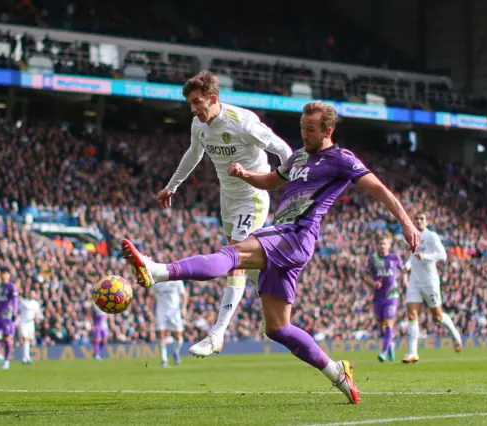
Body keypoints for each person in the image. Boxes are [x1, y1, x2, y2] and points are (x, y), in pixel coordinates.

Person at [123, 101, 421, 404]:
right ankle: (337, 373)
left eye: (311, 129)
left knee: (234, 255)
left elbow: (380, 189)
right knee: (278, 328)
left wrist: (407, 224)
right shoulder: (299, 157)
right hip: (284, 239)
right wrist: (244, 174)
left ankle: (158, 271)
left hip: (296, 235)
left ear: (328, 130)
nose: (303, 134)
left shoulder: (342, 159)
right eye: (302, 127)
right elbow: (272, 180)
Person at [156, 70, 292, 357]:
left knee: (235, 261)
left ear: (213, 98)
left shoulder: (243, 122)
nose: (193, 110)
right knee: (248, 265)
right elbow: (193, 154)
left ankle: (217, 333)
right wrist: (172, 187)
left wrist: (285, 186)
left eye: (197, 102)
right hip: (227, 200)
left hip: (252, 197)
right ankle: (276, 283)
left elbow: (283, 150)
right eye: (190, 104)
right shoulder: (198, 125)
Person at [402, 212, 463, 363]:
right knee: (411, 315)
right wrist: (407, 266)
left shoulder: (432, 236)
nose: (418, 221)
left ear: (426, 221)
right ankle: (412, 352)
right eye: (416, 219)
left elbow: (443, 255)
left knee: (438, 316)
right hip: (415, 281)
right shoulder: (411, 236)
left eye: (421, 219)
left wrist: (426, 257)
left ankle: (455, 333)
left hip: (430, 282)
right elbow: (412, 256)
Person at [364, 234, 405, 362]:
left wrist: (405, 280)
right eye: (380, 243)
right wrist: (373, 283)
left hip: (392, 295)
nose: (382, 246)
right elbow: (366, 276)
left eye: (385, 243)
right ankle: (390, 344)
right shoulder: (373, 259)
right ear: (377, 245)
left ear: (389, 245)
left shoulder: (394, 258)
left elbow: (403, 270)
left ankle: (383, 352)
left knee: (389, 323)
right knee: (382, 326)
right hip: (378, 296)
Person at [148, 280, 188, 367]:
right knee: (161, 334)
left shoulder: (177, 281)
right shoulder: (158, 282)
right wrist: (150, 310)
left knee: (178, 335)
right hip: (161, 311)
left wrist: (184, 308)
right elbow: (152, 296)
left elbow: (184, 295)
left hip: (174, 311)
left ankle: (176, 352)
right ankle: (163, 359)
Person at [0, 267, 19, 370]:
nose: (4, 275)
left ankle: (7, 361)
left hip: (7, 315)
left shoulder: (11, 287)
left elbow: (14, 301)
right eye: (2, 273)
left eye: (6, 273)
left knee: (7, 338)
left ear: (9, 275)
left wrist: (14, 313)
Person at [17, 289, 41, 364]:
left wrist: (37, 321)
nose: (32, 295)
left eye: (33, 294)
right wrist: (16, 322)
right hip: (23, 322)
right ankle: (25, 357)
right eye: (31, 293)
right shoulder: (23, 302)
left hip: (31, 323)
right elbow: (18, 312)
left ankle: (27, 357)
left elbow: (36, 313)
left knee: (29, 340)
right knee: (25, 339)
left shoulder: (36, 304)